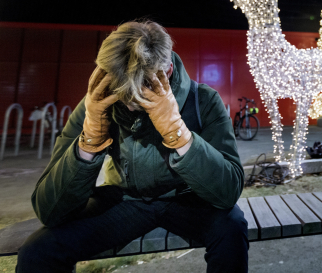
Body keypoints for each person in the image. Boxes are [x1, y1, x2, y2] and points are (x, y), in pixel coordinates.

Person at [17, 21, 248, 272]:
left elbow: (228, 191)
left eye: (137, 92)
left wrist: (178, 133)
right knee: (38, 251)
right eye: (121, 92)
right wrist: (90, 142)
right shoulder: (96, 103)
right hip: (122, 201)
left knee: (232, 228)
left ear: (167, 72)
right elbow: (48, 210)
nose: (127, 105)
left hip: (188, 199)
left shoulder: (203, 100)